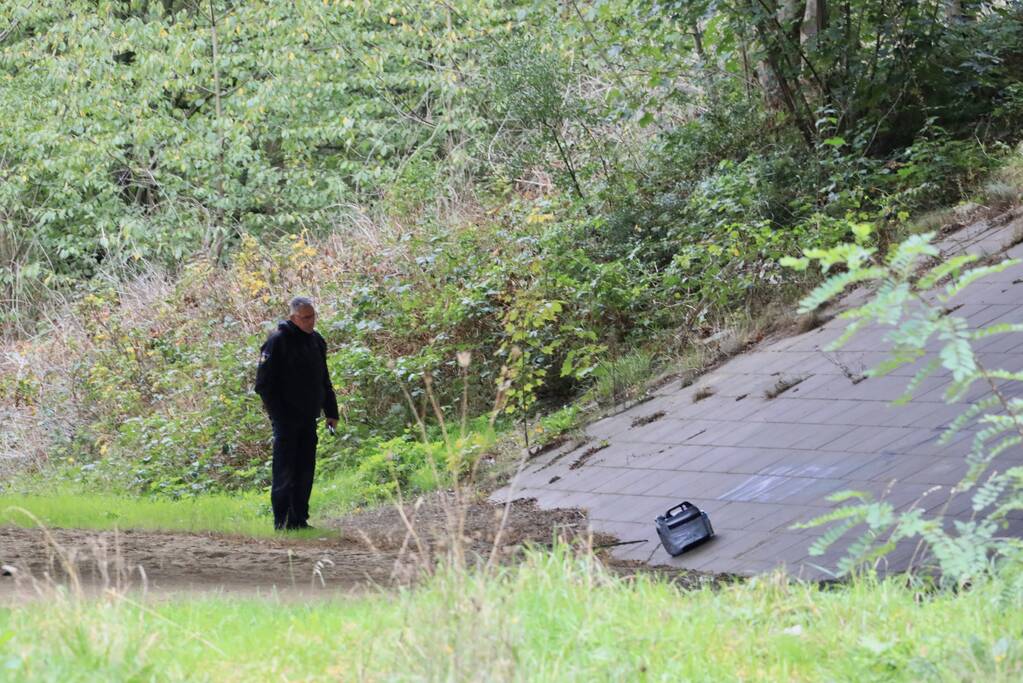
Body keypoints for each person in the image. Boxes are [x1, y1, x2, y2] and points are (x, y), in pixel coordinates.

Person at [254, 296, 339, 530]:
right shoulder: (277, 341)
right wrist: (278, 415)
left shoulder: (317, 341)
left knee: (304, 471)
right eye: (305, 317)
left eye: (313, 316)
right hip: (285, 419)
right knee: (285, 471)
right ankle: (281, 522)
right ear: (293, 317)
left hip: (308, 417)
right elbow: (263, 384)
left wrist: (331, 411)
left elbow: (324, 379)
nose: (311, 321)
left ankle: (299, 519)